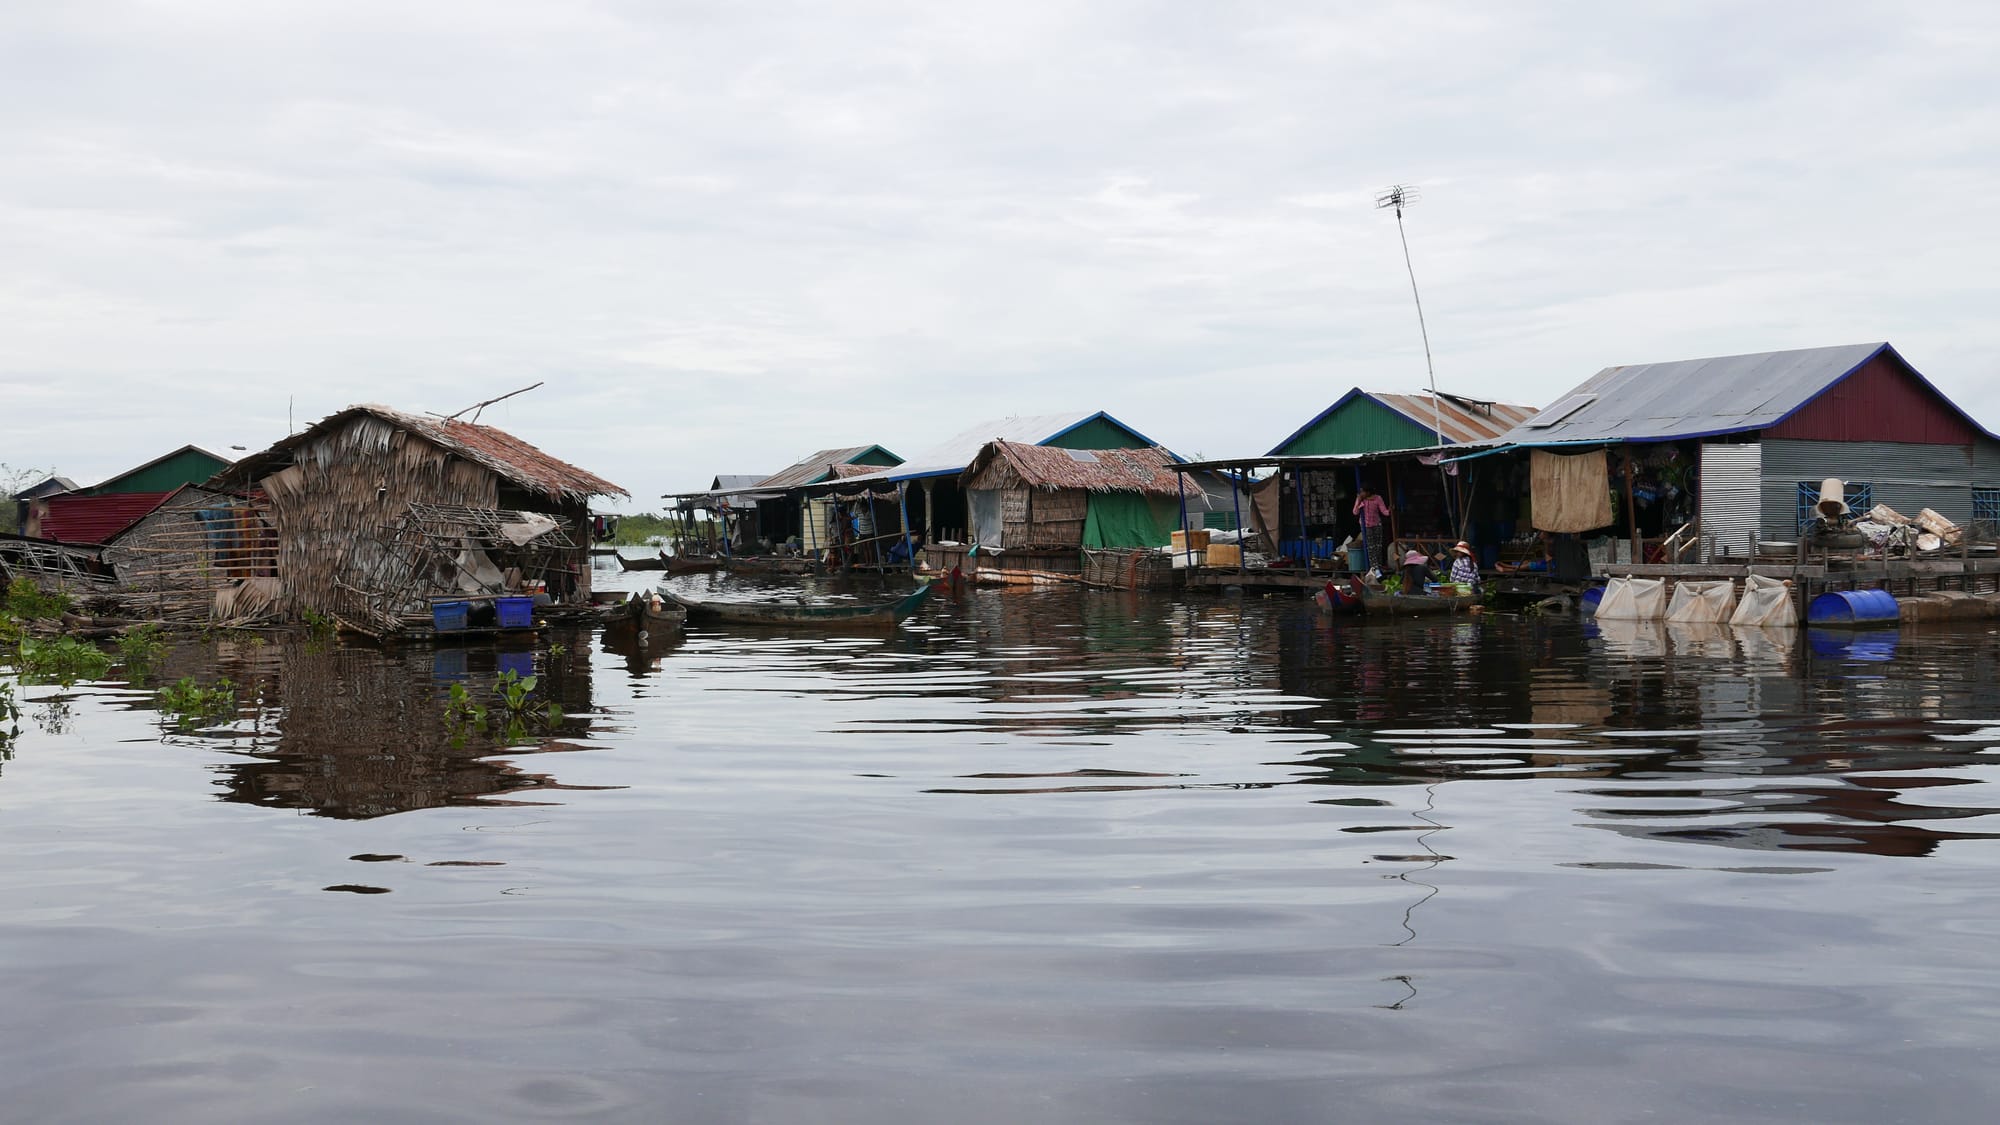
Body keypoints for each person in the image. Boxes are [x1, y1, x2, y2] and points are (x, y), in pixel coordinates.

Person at [1353, 486, 1392, 572]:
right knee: (1370, 547)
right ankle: (1374, 568)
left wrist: (1389, 511)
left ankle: (1379, 565)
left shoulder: (1377, 498)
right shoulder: (1361, 499)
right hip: (1366, 526)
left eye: (1362, 492)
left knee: (1378, 546)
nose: (1361, 493)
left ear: (1368, 492)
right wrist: (1359, 501)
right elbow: (1355, 512)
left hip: (1376, 525)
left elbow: (1384, 511)